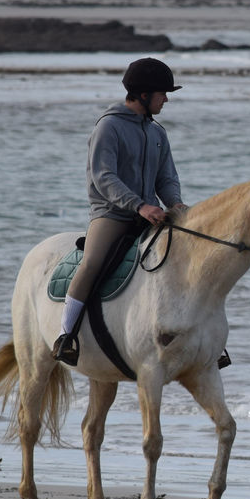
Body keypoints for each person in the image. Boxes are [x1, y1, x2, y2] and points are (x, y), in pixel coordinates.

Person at [52, 58, 187, 366]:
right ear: (142, 94)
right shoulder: (108, 127)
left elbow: (166, 178)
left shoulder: (157, 133)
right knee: (92, 263)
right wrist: (139, 205)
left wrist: (175, 203)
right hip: (112, 214)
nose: (166, 99)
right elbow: (104, 176)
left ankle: (201, 338)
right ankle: (67, 334)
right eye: (162, 93)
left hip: (150, 214)